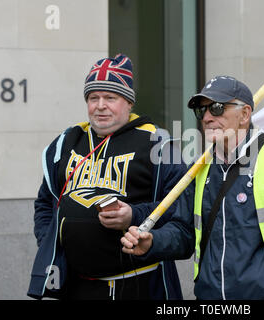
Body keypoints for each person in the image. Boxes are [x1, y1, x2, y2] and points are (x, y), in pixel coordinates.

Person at [121, 75, 264, 300]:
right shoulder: (200, 169)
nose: (207, 117)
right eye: (201, 111)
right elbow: (184, 230)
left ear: (245, 114)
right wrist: (153, 243)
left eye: (217, 108)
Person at [27, 54, 186, 300]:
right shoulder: (67, 141)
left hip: (139, 285)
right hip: (75, 286)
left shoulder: (158, 143)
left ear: (129, 103)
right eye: (93, 98)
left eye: (111, 97)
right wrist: (50, 242)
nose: (100, 105)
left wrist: (134, 215)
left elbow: (182, 208)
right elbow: (46, 202)